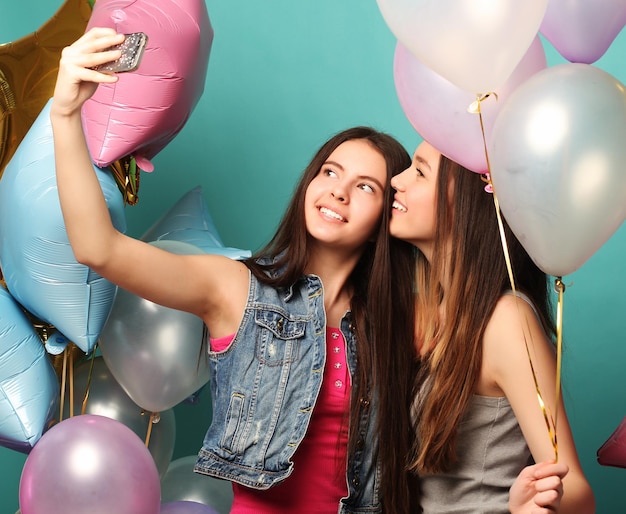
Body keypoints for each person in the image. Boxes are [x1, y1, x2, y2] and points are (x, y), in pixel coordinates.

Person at [51, 29, 570, 514]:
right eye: (329, 172)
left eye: (367, 186)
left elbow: (469, 436)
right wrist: (65, 114)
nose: (338, 191)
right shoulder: (235, 288)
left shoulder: (401, 322)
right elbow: (99, 248)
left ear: (387, 213)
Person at [388, 140, 596, 513]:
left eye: (419, 172)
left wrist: (531, 508)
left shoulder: (506, 321)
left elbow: (577, 490)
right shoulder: (435, 311)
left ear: (466, 204)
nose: (396, 181)